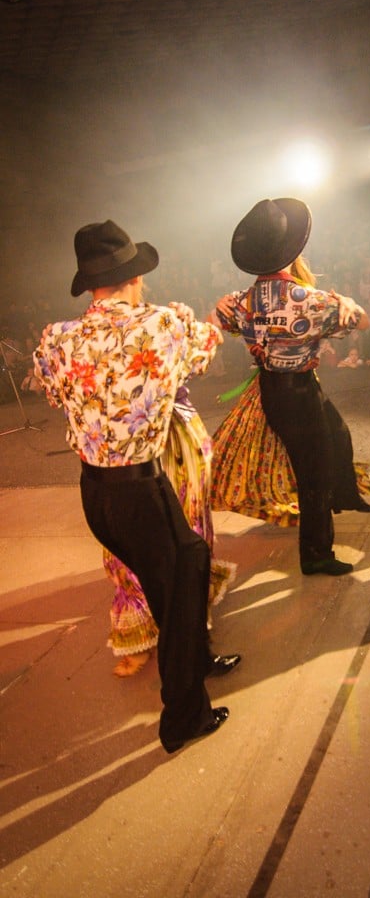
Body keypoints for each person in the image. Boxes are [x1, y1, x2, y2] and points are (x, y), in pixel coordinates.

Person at [33, 219, 231, 752]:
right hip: (140, 489)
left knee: (181, 568)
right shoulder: (163, 324)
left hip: (95, 494)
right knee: (183, 573)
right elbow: (206, 351)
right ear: (135, 277)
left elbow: (52, 391)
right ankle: (183, 719)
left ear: (91, 285)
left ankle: (196, 658)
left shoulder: (57, 337)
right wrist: (204, 319)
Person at [214, 197, 370, 576]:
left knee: (337, 434)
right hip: (299, 393)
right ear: (291, 251)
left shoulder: (242, 300)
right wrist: (346, 302)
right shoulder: (309, 300)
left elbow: (220, 319)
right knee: (312, 472)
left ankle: (343, 494)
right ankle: (316, 554)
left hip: (272, 389)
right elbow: (364, 324)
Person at [105, 386, 240, 679]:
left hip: (170, 433)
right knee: (128, 545)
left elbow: (196, 356)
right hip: (117, 442)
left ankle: (193, 640)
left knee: (185, 533)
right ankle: (150, 632)